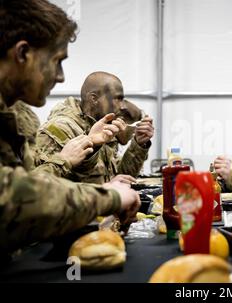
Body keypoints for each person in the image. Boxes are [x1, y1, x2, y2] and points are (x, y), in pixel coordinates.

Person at [0, 0, 140, 255]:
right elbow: (11, 198)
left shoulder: (17, 117)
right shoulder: (61, 125)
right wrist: (107, 196)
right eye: (57, 61)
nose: (61, 76)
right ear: (22, 54)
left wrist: (137, 147)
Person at [35, 72, 154, 184]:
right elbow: (45, 187)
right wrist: (104, 189)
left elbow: (120, 178)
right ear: (94, 99)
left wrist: (138, 144)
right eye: (118, 98)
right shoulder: (59, 130)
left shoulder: (102, 126)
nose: (122, 106)